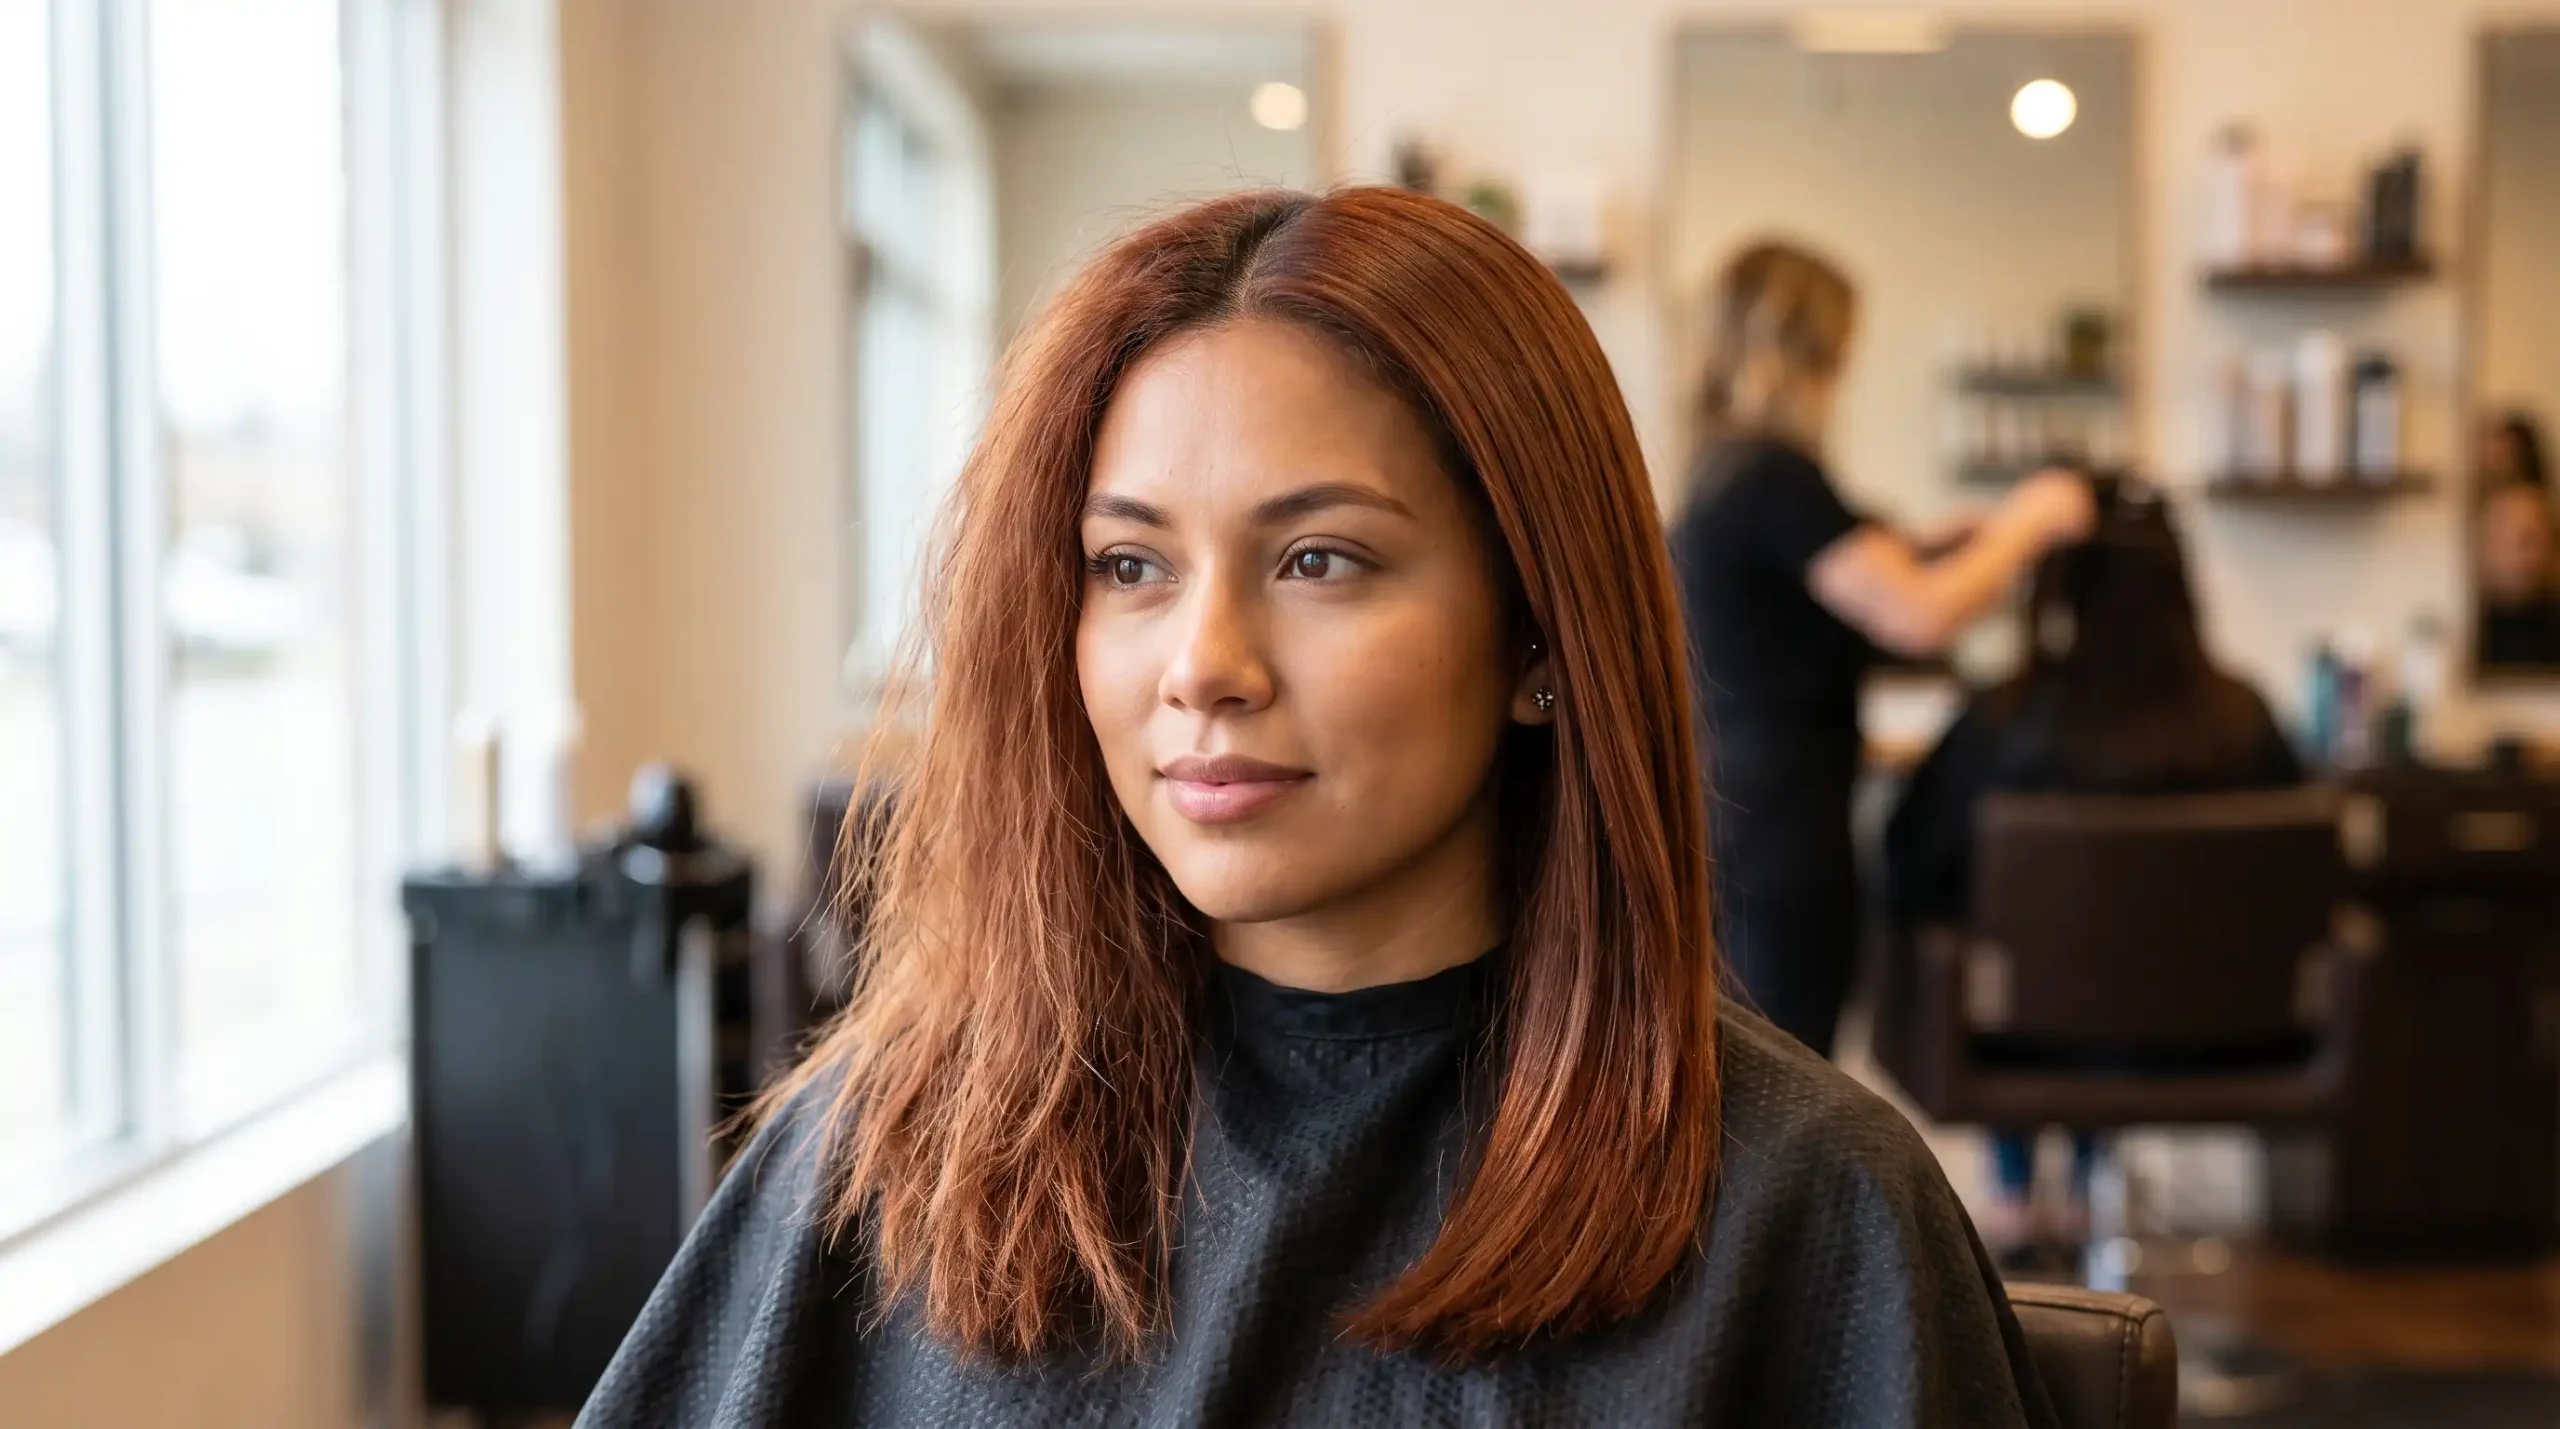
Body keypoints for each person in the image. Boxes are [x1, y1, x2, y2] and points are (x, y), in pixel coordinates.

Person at [578, 189, 2057, 1427]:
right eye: (1131, 567)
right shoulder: (895, 1149)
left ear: (1541, 639)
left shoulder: (1813, 1213)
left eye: (1319, 561)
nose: (1204, 668)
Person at [1668, 240, 2095, 1058]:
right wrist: (2030, 519)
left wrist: (1943, 542)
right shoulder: (1776, 476)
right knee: (1779, 1090)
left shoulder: (1726, 474)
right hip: (1777, 838)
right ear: (1803, 353)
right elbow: (1916, 617)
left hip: (1743, 820)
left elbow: (1849, 572)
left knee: (1757, 1082)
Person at [1883, 485, 2302, 1261]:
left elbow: (1912, 869)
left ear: (2056, 584)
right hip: (2217, 1041)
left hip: (2026, 1041)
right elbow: (2305, 887)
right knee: (2107, 979)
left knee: (2028, 970)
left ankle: (2019, 1195)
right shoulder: (2244, 719)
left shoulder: (2002, 722)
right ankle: (2081, 1187)